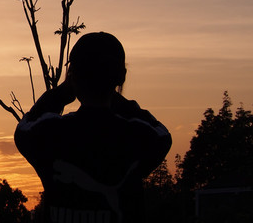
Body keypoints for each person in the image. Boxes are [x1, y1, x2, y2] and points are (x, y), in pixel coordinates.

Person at [15, 32, 171, 223]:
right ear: (121, 77)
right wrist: (116, 97)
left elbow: (24, 128)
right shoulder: (136, 137)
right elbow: (162, 134)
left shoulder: (50, 134)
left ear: (72, 76)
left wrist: (61, 94)